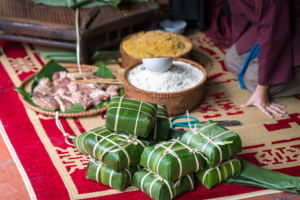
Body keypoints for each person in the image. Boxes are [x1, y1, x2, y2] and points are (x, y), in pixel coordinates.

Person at [224, 0, 300, 118]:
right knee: (233, 60)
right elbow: (238, 11)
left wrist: (262, 89)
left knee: (254, 81)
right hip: (272, 20)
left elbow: (274, 34)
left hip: (287, 24)